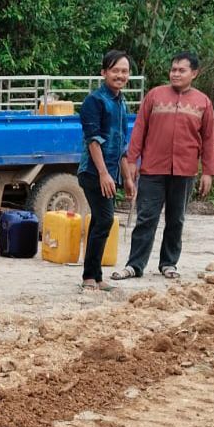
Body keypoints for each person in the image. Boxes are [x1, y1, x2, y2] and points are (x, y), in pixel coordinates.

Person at [112, 51, 214, 281]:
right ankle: (134, 265)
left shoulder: (203, 103)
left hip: (185, 169)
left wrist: (208, 171)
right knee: (146, 218)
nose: (176, 74)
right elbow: (139, 129)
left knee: (176, 218)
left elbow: (209, 139)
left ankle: (168, 263)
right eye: (173, 69)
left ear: (194, 73)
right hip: (152, 168)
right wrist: (132, 160)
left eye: (182, 70)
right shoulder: (155, 96)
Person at [77, 50, 133, 292]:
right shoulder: (94, 101)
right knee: (105, 219)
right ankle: (91, 276)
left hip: (111, 172)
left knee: (101, 220)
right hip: (93, 171)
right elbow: (93, 140)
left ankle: (94, 277)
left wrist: (128, 178)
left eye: (124, 71)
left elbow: (121, 146)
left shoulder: (121, 103)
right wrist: (103, 173)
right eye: (115, 70)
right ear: (104, 73)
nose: (120, 75)